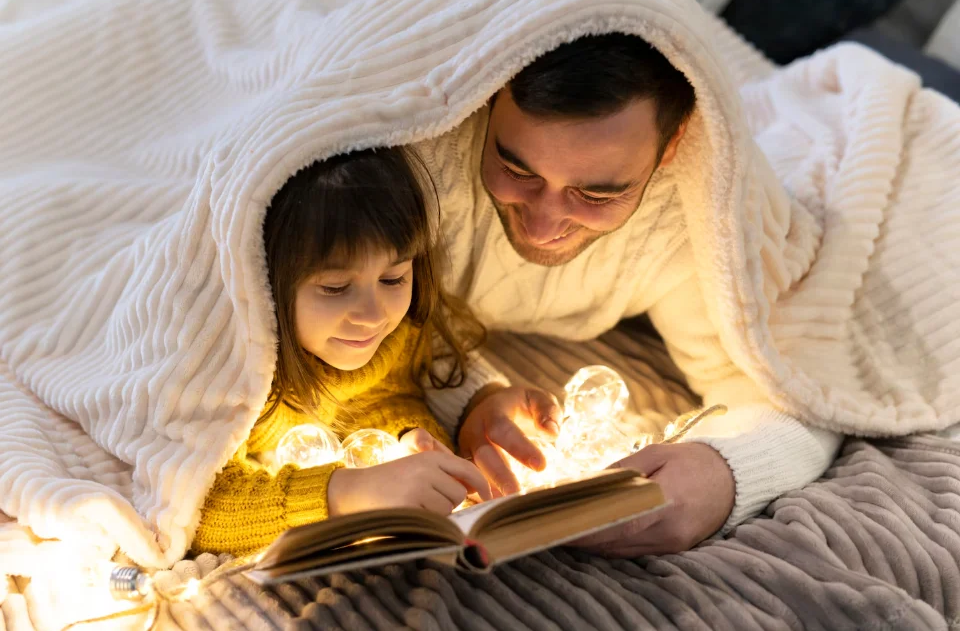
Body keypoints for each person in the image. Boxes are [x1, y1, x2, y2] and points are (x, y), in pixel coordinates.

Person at [416, 33, 843, 556]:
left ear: (671, 147)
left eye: (596, 192)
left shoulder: (694, 218)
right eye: (516, 169)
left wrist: (723, 472)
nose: (543, 224)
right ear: (489, 96)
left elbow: (800, 388)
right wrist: (472, 395)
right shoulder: (422, 157)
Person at [190, 148, 494, 556]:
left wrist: (405, 437)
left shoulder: (396, 331)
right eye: (334, 287)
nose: (373, 316)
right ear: (262, 280)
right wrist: (348, 493)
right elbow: (198, 506)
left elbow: (383, 392)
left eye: (393, 278)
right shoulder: (218, 358)